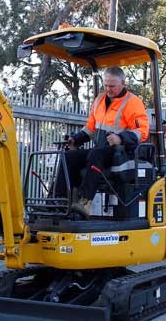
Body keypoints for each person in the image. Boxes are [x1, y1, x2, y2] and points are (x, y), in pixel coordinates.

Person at [63, 65, 149, 217]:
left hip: (121, 153)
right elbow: (91, 127)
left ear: (123, 83)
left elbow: (142, 132)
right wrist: (75, 139)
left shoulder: (132, 102)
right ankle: (61, 200)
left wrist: (120, 138)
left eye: (112, 86)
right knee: (69, 157)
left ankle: (85, 202)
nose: (108, 89)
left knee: (95, 155)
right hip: (101, 150)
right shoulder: (100, 100)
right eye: (106, 85)